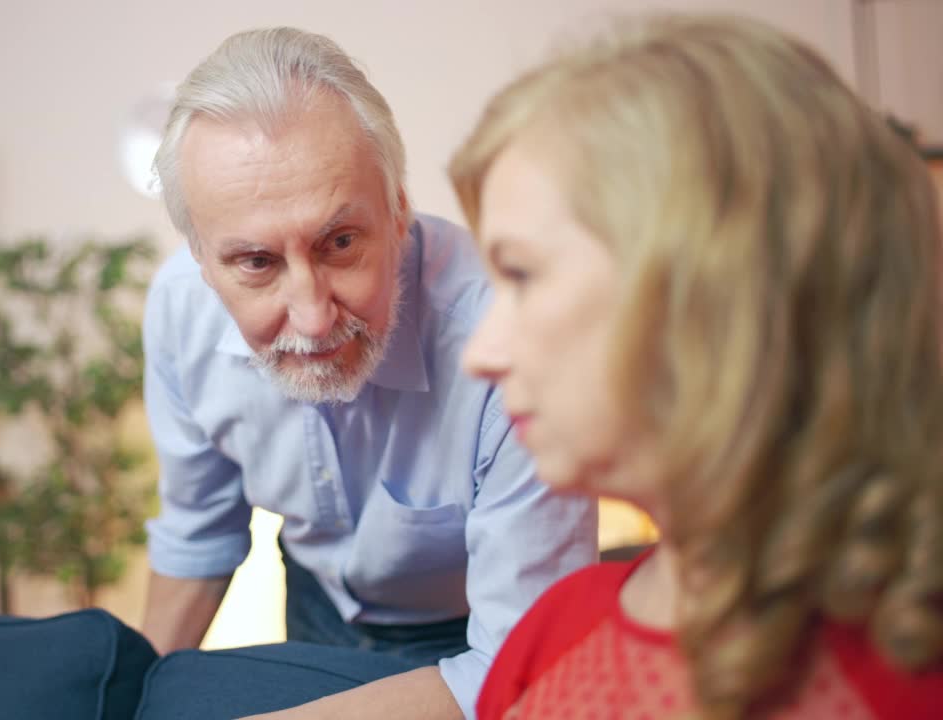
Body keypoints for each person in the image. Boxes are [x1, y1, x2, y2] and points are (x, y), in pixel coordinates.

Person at [450, 12, 943, 719]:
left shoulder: (905, 677)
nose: (480, 354)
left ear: (714, 296)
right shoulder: (552, 634)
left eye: (522, 276)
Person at [141, 27, 597, 719]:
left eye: (341, 243)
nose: (314, 318)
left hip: (474, 630)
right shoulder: (179, 312)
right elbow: (200, 536)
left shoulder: (510, 341)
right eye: (257, 263)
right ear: (201, 260)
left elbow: (518, 671)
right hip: (316, 603)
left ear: (399, 211)